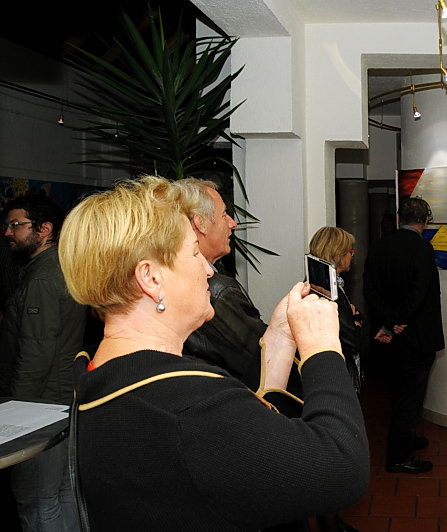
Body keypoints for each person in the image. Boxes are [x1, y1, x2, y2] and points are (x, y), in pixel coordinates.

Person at [58, 176, 369, 530]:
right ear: (151, 278)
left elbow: (245, 433)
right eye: (194, 252)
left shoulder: (99, 372)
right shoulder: (189, 404)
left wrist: (281, 336)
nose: (208, 270)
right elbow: (344, 466)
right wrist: (321, 347)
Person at [1, 196, 83, 531]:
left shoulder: (43, 279)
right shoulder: (61, 268)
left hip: (41, 405)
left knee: (36, 500)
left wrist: (18, 417)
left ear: (44, 229)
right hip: (60, 400)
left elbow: (37, 354)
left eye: (16, 225)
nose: (8, 232)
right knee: (61, 493)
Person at [363, 197, 445, 474]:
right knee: (410, 396)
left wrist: (389, 322)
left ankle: (407, 437)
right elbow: (419, 293)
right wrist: (399, 321)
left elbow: (370, 289)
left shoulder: (379, 245)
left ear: (399, 218)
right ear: (425, 221)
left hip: (389, 335)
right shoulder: (423, 249)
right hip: (416, 335)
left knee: (399, 391)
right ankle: (399, 456)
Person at [175, 178, 266, 390]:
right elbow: (263, 362)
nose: (233, 223)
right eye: (224, 214)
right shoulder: (216, 292)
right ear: (200, 224)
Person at [309, 226, 365, 394]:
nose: (352, 256)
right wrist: (356, 321)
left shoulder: (317, 282)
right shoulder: (330, 292)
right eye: (350, 251)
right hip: (338, 374)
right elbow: (352, 341)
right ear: (338, 254)